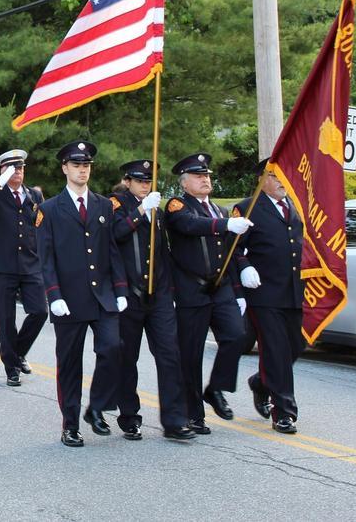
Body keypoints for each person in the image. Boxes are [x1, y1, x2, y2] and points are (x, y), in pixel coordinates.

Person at [36, 140, 128, 447]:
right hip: (69, 299)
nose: (82, 170)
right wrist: (54, 295)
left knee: (113, 348)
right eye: (76, 165)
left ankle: (98, 405)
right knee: (70, 363)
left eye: (86, 165)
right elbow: (45, 258)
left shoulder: (103, 205)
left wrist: (120, 289)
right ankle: (70, 424)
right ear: (65, 168)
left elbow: (112, 251)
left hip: (102, 295)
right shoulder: (49, 209)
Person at [165, 153, 252, 435]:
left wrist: (238, 289)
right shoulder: (178, 205)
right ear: (185, 182)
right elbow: (189, 225)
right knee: (190, 355)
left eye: (207, 176)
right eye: (199, 176)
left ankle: (215, 388)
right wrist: (224, 225)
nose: (205, 180)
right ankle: (193, 414)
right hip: (192, 289)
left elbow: (229, 253)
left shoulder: (218, 209)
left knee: (237, 336)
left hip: (221, 287)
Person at [111, 160, 195, 442]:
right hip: (130, 294)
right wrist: (139, 212)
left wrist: (169, 289)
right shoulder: (115, 204)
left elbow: (163, 249)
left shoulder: (156, 206)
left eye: (149, 180)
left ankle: (175, 420)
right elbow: (115, 234)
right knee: (127, 359)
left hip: (158, 293)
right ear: (127, 181)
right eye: (140, 180)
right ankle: (130, 417)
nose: (146, 184)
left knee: (170, 355)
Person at [233, 159, 305, 434]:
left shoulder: (293, 206)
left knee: (297, 346)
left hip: (294, 290)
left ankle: (261, 382)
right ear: (263, 180)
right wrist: (245, 266)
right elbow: (234, 248)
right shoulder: (249, 207)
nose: (282, 182)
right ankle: (284, 412)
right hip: (264, 292)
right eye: (276, 177)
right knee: (275, 350)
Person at [0, 149, 47, 387]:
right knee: (5, 319)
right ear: (4, 171)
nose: (19, 172)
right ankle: (11, 367)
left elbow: (42, 225)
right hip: (3, 265)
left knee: (40, 311)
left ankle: (18, 352)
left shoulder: (34, 195)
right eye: (14, 168)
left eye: (22, 168)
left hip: (30, 263)